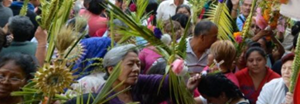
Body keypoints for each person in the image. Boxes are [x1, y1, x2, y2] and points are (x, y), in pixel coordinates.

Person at [65, 44, 199, 104]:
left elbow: (166, 81)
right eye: (130, 64)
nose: (136, 69)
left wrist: (179, 70)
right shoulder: (104, 98)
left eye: (138, 64)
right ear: (111, 69)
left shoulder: (138, 83)